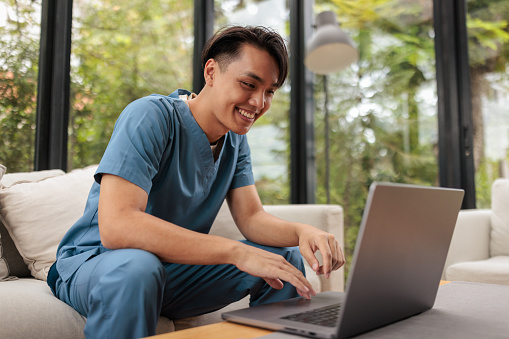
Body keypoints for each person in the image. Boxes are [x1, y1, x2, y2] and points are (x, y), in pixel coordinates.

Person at [47, 25, 345, 339]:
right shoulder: (150, 116)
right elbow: (118, 226)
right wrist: (235, 252)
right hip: (98, 265)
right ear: (211, 71)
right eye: (248, 84)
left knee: (284, 262)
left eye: (269, 91)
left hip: (168, 271)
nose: (259, 103)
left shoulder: (234, 141)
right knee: (138, 268)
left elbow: (252, 217)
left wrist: (302, 231)